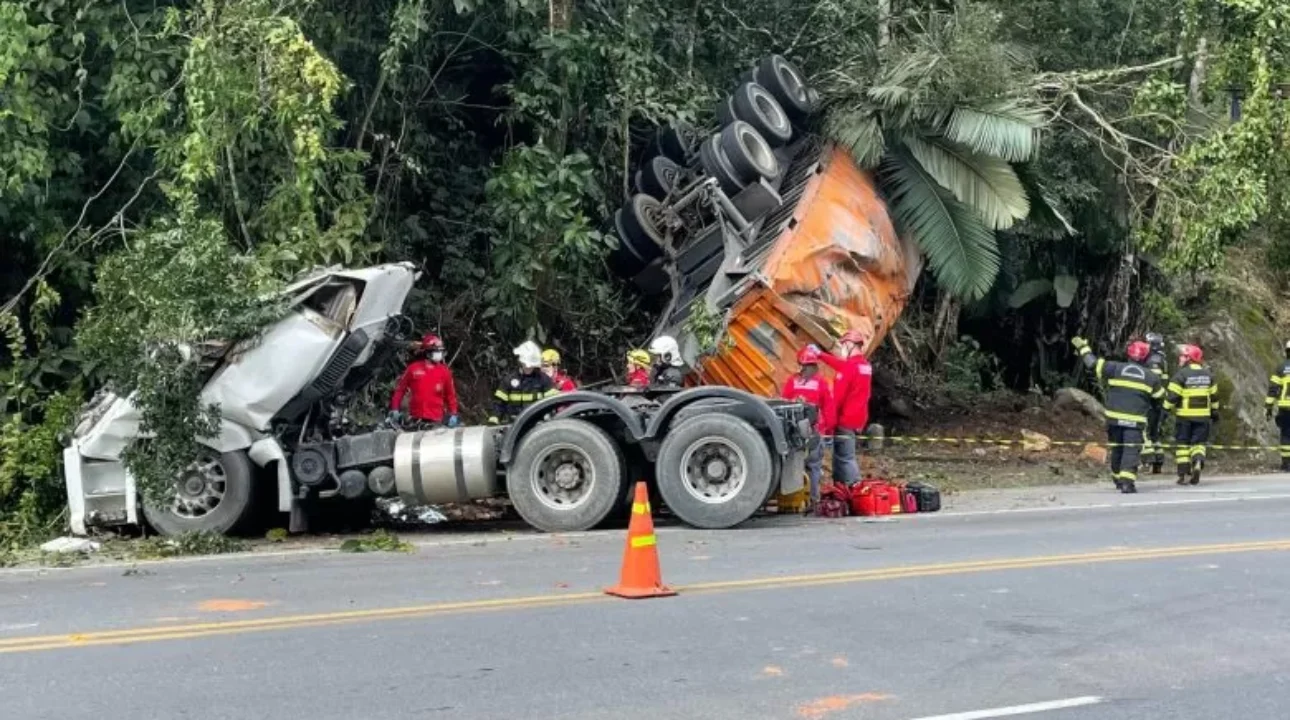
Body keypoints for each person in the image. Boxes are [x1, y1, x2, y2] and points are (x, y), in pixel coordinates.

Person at [1072, 336, 1163, 493]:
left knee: (1117, 448)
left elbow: (1092, 364)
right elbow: (1159, 401)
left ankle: (1117, 478)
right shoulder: (1151, 377)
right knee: (1131, 450)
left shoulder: (1114, 368)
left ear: (1128, 354)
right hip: (1135, 422)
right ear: (1146, 358)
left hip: (1114, 419)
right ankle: (1127, 482)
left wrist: (1083, 348)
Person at [816, 329, 872, 487]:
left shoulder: (850, 368)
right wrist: (821, 355)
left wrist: (829, 424)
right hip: (859, 418)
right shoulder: (864, 366)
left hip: (845, 419)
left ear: (849, 345)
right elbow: (843, 366)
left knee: (844, 457)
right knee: (843, 455)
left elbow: (836, 400)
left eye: (843, 345)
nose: (841, 349)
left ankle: (853, 488)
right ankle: (842, 488)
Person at [781, 346, 834, 507]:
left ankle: (794, 499)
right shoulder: (822, 384)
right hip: (814, 430)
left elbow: (783, 403)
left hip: (794, 431)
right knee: (814, 466)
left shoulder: (792, 382)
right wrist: (829, 429)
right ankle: (813, 499)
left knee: (794, 464)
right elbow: (829, 408)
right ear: (815, 366)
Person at [1164, 343, 1219, 485]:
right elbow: (1214, 397)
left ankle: (1182, 474)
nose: (1180, 359)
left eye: (1183, 356)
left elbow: (1172, 397)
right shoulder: (1208, 375)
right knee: (1199, 443)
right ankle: (1198, 461)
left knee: (1182, 444)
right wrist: (1214, 412)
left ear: (1190, 358)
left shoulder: (1181, 375)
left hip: (1184, 416)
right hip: (1203, 417)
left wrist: (1164, 410)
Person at [387, 334, 459, 428]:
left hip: (436, 419)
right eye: (436, 351)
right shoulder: (413, 369)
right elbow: (400, 390)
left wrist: (453, 413)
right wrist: (395, 408)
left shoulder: (445, 372)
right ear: (427, 352)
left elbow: (450, 396)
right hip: (415, 418)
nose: (439, 354)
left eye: (440, 351)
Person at [488, 341, 559, 425]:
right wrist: (494, 418)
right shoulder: (509, 380)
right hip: (514, 424)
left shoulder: (543, 379)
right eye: (525, 364)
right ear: (521, 361)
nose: (528, 367)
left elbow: (552, 403)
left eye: (531, 365)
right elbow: (499, 403)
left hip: (537, 424)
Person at [1142, 332, 1168, 474]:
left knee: (1146, 431)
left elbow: (1153, 381)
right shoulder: (1161, 358)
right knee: (1155, 433)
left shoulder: (1154, 360)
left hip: (1152, 401)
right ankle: (1158, 461)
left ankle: (1149, 460)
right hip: (1158, 401)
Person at [1266, 340, 1290, 471]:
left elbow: (1273, 389)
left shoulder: (1281, 368)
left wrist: (1268, 407)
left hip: (1285, 408)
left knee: (1286, 434)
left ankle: (1286, 464)